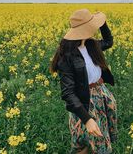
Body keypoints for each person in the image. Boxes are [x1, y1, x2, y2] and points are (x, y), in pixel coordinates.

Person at [50, 8, 118, 153]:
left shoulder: (91, 45)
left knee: (99, 140)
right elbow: (68, 93)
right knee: (84, 143)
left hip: (100, 95)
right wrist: (87, 119)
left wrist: (103, 23)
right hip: (84, 101)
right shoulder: (66, 56)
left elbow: (109, 41)